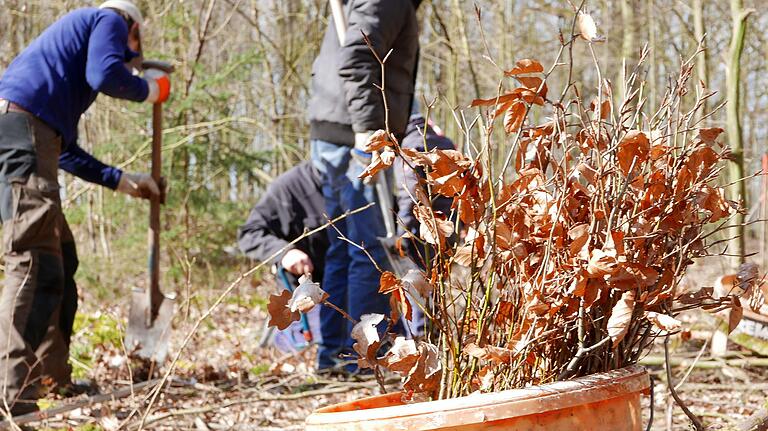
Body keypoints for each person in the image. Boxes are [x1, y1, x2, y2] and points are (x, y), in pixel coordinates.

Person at [0, 0, 170, 415]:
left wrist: (124, 182)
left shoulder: (51, 89)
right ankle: (10, 395)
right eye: (131, 49)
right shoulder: (108, 18)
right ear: (132, 29)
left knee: (59, 257)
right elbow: (105, 73)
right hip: (20, 135)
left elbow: (65, 151)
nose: (130, 57)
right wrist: (150, 89)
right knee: (34, 260)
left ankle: (49, 377)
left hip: (29, 136)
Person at [307, 0, 423, 373]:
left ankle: (336, 357)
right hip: (354, 135)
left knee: (344, 249)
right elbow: (356, 57)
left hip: (333, 129)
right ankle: (361, 361)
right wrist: (367, 128)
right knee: (366, 250)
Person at [237, 161, 328, 287]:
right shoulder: (289, 187)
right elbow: (250, 234)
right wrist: (285, 252)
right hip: (308, 288)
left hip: (354, 286)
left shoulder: (361, 184)